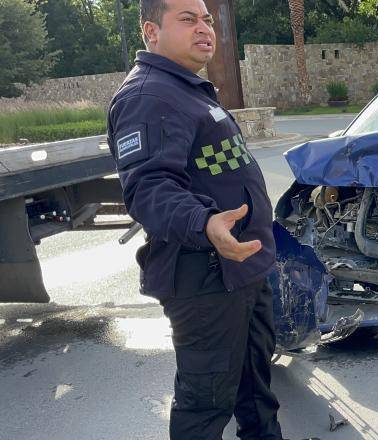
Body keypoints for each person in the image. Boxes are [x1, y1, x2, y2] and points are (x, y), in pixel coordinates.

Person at [106, 0, 283, 438]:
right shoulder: (149, 96)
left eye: (206, 18)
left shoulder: (186, 89)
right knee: (204, 409)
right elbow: (149, 187)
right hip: (205, 278)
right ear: (151, 31)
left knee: (256, 392)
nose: (204, 27)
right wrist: (206, 224)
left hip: (240, 269)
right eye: (187, 19)